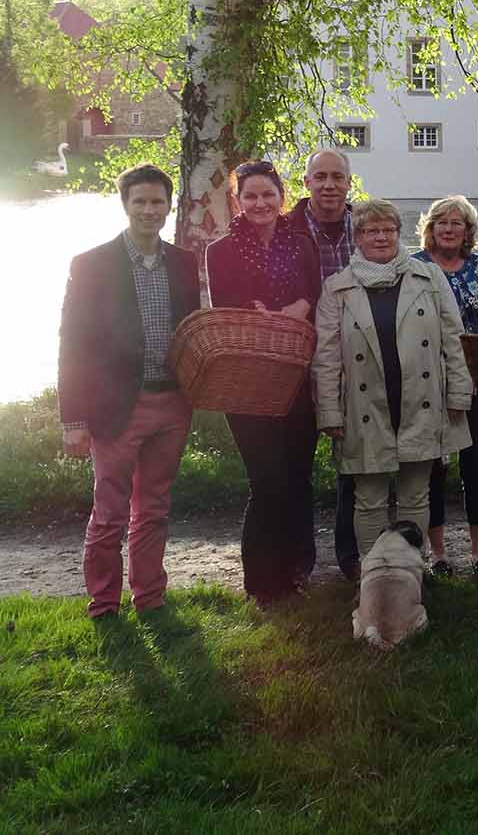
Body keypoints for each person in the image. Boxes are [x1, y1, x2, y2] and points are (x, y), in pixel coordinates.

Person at [59, 163, 199, 618]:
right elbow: (73, 344)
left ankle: (150, 598)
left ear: (168, 206)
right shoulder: (91, 263)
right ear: (125, 205)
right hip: (117, 407)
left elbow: (194, 335)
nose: (148, 210)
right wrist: (74, 420)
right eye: (139, 201)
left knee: (154, 509)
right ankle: (103, 603)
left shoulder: (183, 262)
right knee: (109, 513)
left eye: (157, 201)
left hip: (172, 404)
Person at [313, 199, 473, 562]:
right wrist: (329, 413)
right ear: (358, 238)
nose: (381, 237)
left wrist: (459, 395)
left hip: (420, 401)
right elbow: (326, 357)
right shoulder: (337, 288)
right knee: (368, 499)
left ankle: (410, 573)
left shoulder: (429, 278)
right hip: (363, 405)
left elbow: (455, 338)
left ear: (399, 234)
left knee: (416, 496)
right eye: (372, 231)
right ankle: (373, 577)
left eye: (388, 230)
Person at [204, 160, 322, 606]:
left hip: (295, 374)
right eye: (250, 195)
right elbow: (227, 310)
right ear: (238, 199)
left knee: (297, 477)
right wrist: (262, 317)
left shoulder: (303, 242)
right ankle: (261, 580)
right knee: (266, 480)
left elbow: (315, 291)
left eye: (267, 194)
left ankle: (297, 568)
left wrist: (301, 305)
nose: (259, 203)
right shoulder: (221, 250)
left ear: (282, 196)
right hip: (248, 382)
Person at [414, 196, 478, 577]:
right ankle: (439, 555)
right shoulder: (414, 267)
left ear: (468, 231)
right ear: (430, 229)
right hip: (427, 381)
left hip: (475, 380)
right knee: (432, 468)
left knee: (477, 466)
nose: (448, 229)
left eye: (456, 223)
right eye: (441, 223)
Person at [289, 147, 361, 579]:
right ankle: (299, 560)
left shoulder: (368, 227)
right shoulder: (285, 229)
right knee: (295, 463)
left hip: (354, 361)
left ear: (349, 183)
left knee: (353, 464)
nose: (329, 185)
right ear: (307, 183)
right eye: (321, 177)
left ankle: (350, 556)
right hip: (296, 359)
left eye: (338, 177)